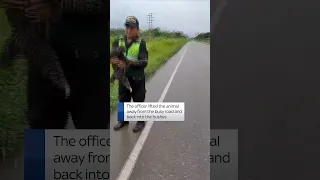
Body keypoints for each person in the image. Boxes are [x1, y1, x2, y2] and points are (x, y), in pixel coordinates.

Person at [2, 0, 110, 129]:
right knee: (42, 137)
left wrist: (56, 8)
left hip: (89, 62)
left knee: (92, 132)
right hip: (43, 61)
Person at [111, 16, 148, 132]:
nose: (129, 30)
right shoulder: (118, 41)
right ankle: (123, 120)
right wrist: (112, 59)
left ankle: (140, 121)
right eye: (127, 27)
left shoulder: (141, 43)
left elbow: (144, 62)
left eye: (132, 28)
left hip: (137, 77)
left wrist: (127, 63)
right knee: (123, 98)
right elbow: (112, 54)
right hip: (123, 77)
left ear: (137, 29)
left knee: (138, 99)